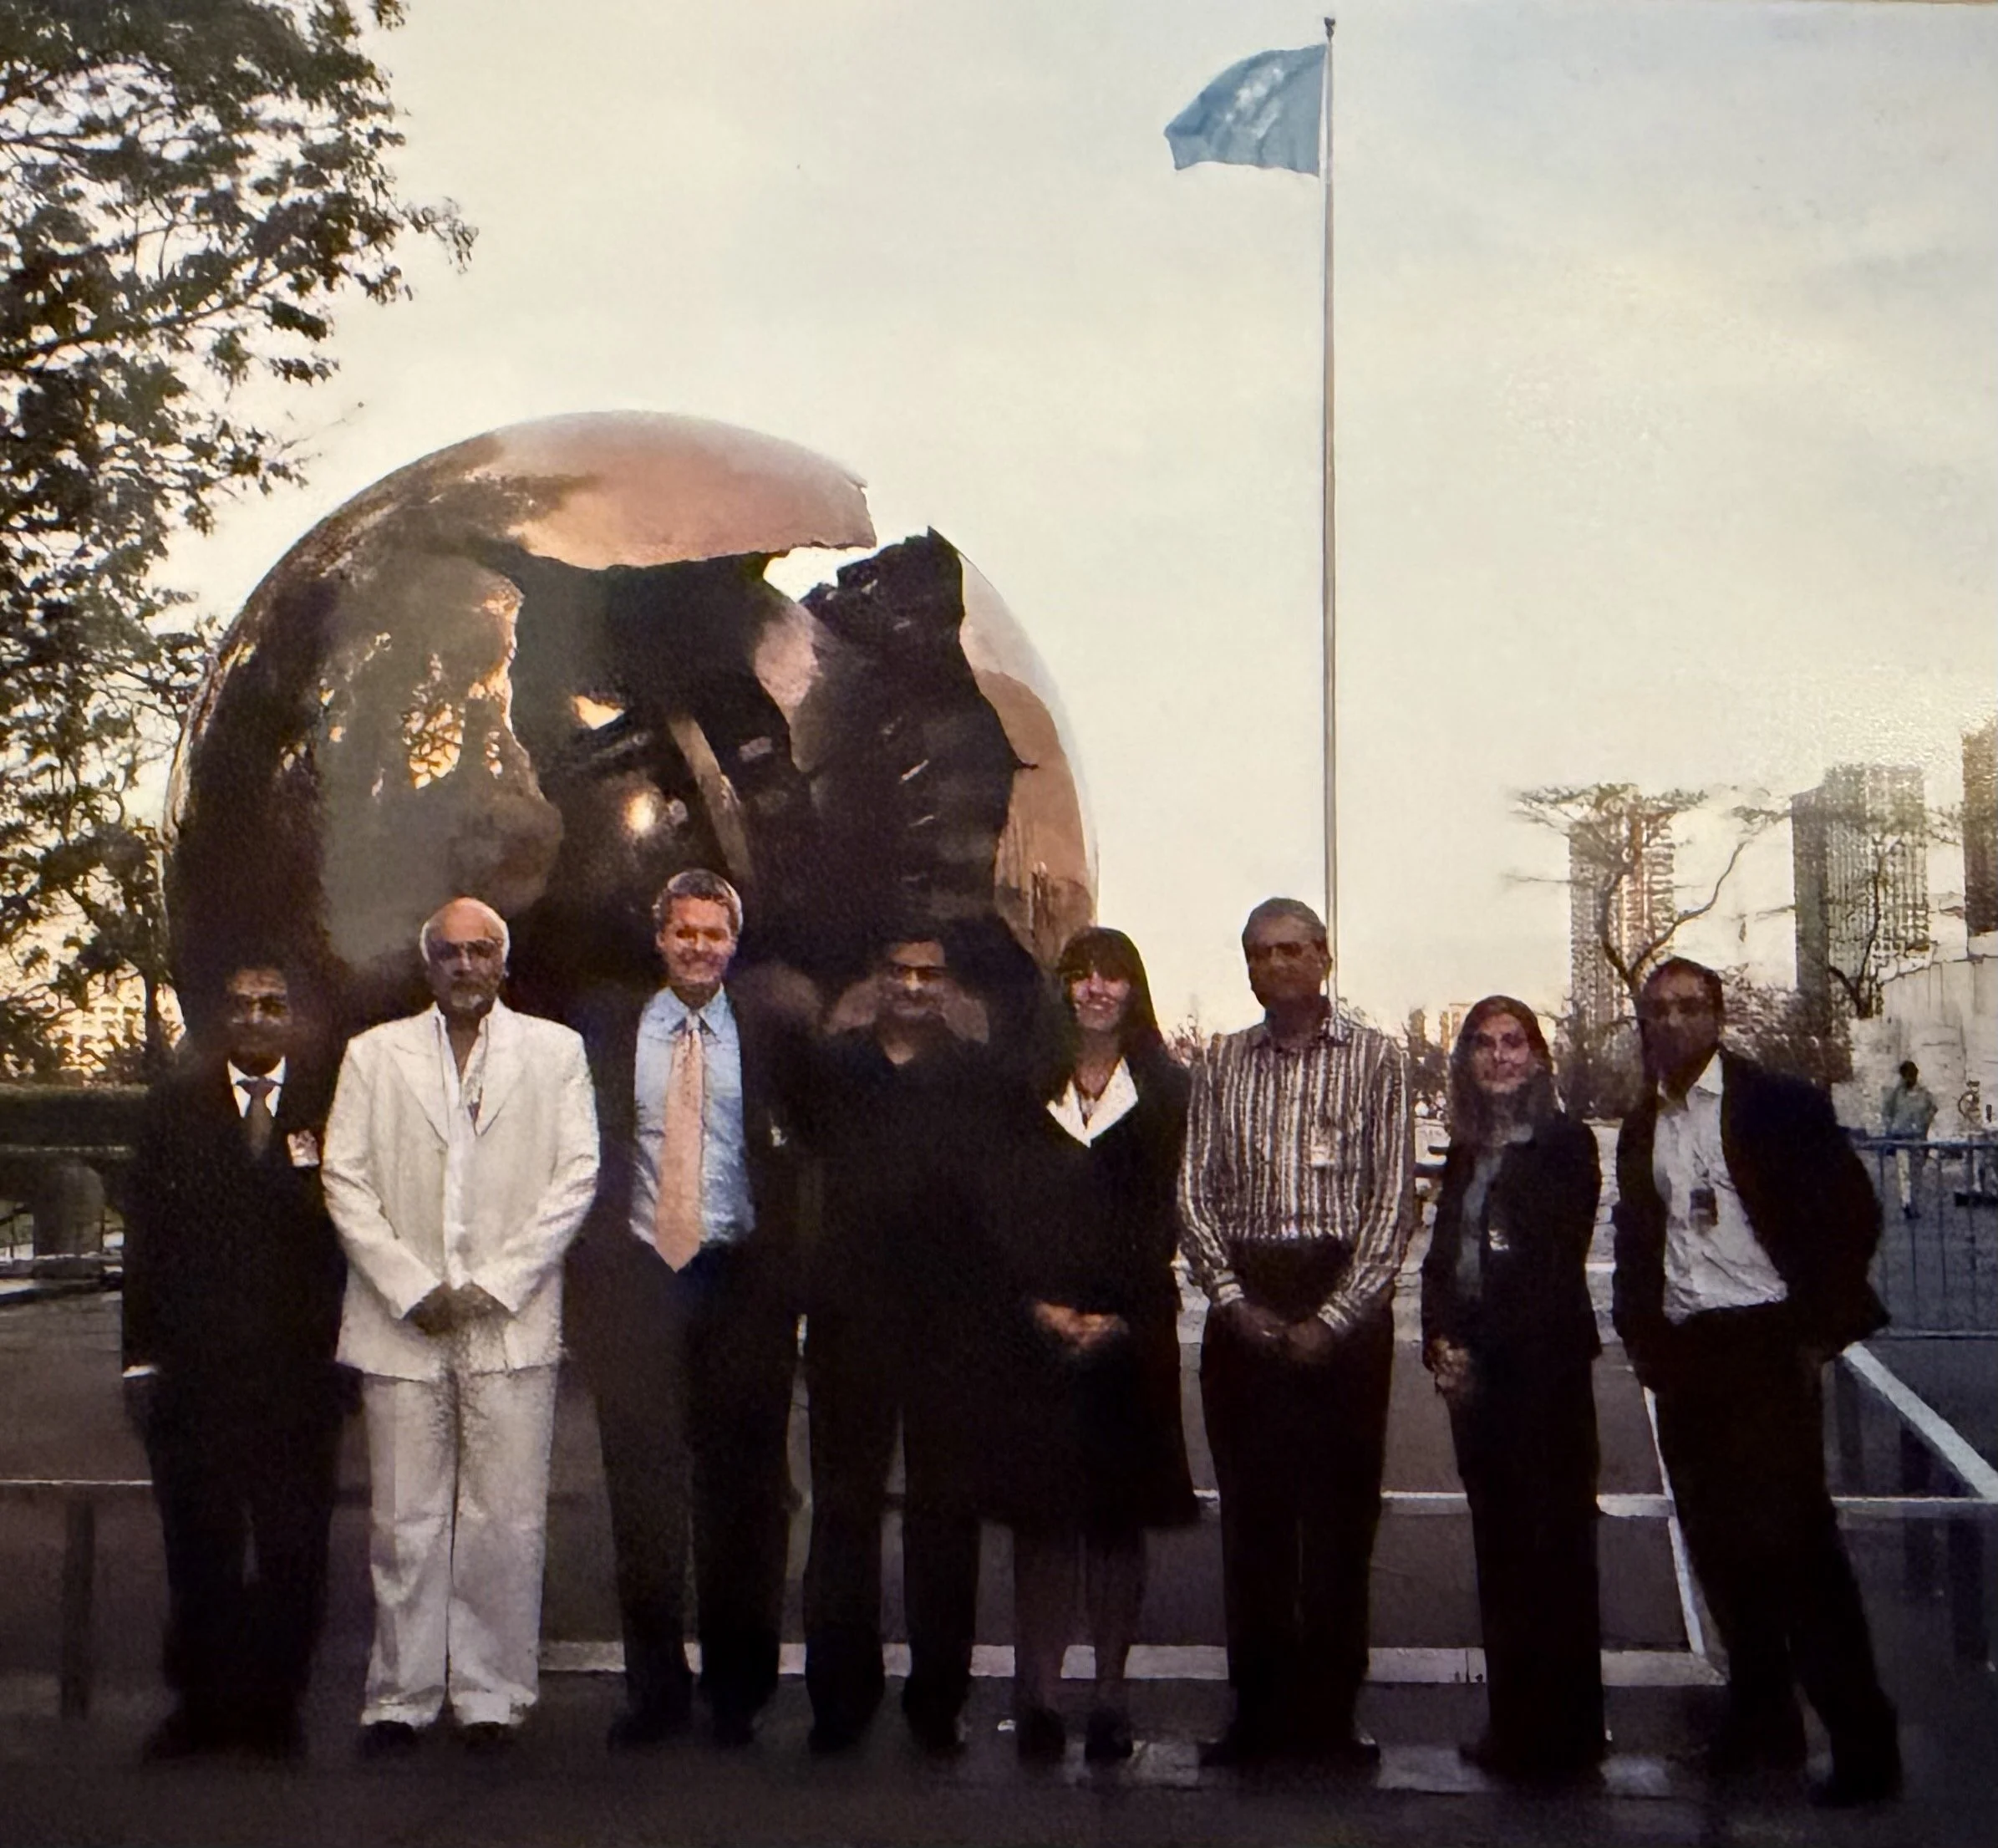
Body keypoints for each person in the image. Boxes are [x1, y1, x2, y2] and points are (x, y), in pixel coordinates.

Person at [1612, 957, 1900, 1808]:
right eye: (1658, 1010)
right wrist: (1643, 1338)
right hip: (1687, 1350)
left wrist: (1815, 1331)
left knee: (1799, 1551)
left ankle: (1863, 1744)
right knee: (1717, 1546)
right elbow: (1640, 1238)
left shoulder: (1778, 1105)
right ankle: (1762, 1720)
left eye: (1689, 1007)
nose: (1673, 1022)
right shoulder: (1644, 1123)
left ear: (1717, 1016)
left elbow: (1854, 1214)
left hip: (1766, 1342)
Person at [323, 896, 598, 1755]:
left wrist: (497, 1283)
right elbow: (343, 1177)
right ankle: (399, 1695)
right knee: (403, 1520)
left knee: (503, 1518)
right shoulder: (374, 1055)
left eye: (481, 950)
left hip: (508, 1318)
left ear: (503, 962)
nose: (466, 965)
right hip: (401, 1320)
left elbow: (577, 1176)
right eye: (450, 952)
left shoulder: (555, 1052)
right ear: (429, 964)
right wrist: (411, 1286)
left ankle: (491, 1693)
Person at [565, 870, 803, 1749]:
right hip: (640, 1283)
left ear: (734, 944)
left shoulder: (773, 1033)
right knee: (643, 1498)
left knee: (745, 1495)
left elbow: (804, 1152)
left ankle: (738, 1691)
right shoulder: (607, 1028)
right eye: (684, 932)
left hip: (741, 1281)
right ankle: (654, 1688)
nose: (698, 947)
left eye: (714, 933)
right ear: (659, 938)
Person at [1179, 897, 1413, 1769]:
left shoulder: (1379, 1060)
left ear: (1323, 955)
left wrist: (1335, 1319)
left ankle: (1330, 1717)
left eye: (1290, 949)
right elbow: (1193, 1192)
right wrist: (1231, 1300)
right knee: (1253, 1521)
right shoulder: (1220, 1061)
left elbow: (1391, 1204)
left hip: (1341, 1296)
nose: (1275, 965)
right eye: (1258, 953)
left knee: (1341, 1522)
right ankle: (1258, 1714)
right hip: (1247, 1298)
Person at [122, 960, 347, 1762]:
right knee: (200, 1545)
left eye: (271, 1004)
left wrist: (347, 1356)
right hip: (197, 1373)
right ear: (221, 1017)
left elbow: (349, 1242)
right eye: (242, 1004)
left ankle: (275, 1707)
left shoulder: (333, 1106)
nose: (255, 1018)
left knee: (293, 1548)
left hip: (300, 1374)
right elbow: (146, 1243)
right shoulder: (174, 1110)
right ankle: (200, 1707)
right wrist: (139, 1359)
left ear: (292, 1016)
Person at [984, 928, 1197, 1764]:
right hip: (1033, 1329)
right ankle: (1038, 1693)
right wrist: (1037, 1304)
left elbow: (1173, 1210)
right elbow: (998, 1205)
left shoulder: (1169, 1091)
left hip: (1129, 1330)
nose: (1097, 990)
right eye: (1081, 976)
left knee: (1115, 1523)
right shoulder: (1021, 1086)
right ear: (1062, 988)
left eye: (1113, 977)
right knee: (1042, 1523)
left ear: (1134, 990)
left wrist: (1118, 1314)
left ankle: (1110, 1694)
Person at [792, 930, 1004, 1755]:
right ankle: (839, 1699)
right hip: (850, 1319)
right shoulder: (831, 1068)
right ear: (875, 979)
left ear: (948, 985)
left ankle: (937, 1700)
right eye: (899, 972)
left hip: (952, 1324)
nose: (913, 986)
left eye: (928, 974)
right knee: (843, 1511)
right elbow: (801, 1172)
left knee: (944, 1515)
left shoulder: (980, 1075)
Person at [1420, 996, 1604, 1783]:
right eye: (1484, 1044)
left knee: (1553, 1553)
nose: (1499, 1057)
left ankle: (1567, 1737)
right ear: (1465, 1059)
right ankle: (1513, 1724)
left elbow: (1547, 1268)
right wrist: (1438, 1340)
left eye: (1514, 1042)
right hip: (1477, 1385)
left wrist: (1477, 1353)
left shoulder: (1564, 1145)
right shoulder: (1466, 1151)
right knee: (1498, 1553)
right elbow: (1442, 1260)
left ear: (1536, 1058)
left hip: (1541, 1378)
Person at [1879, 1061, 1937, 1219]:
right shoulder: (1896, 1094)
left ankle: (1914, 1203)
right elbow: (1886, 1111)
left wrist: (1925, 1121)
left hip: (1918, 1138)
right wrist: (1891, 1127)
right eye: (1907, 1075)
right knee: (1904, 1171)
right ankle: (1907, 1203)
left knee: (1916, 1173)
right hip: (1902, 1137)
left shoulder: (1924, 1094)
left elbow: (1933, 1108)